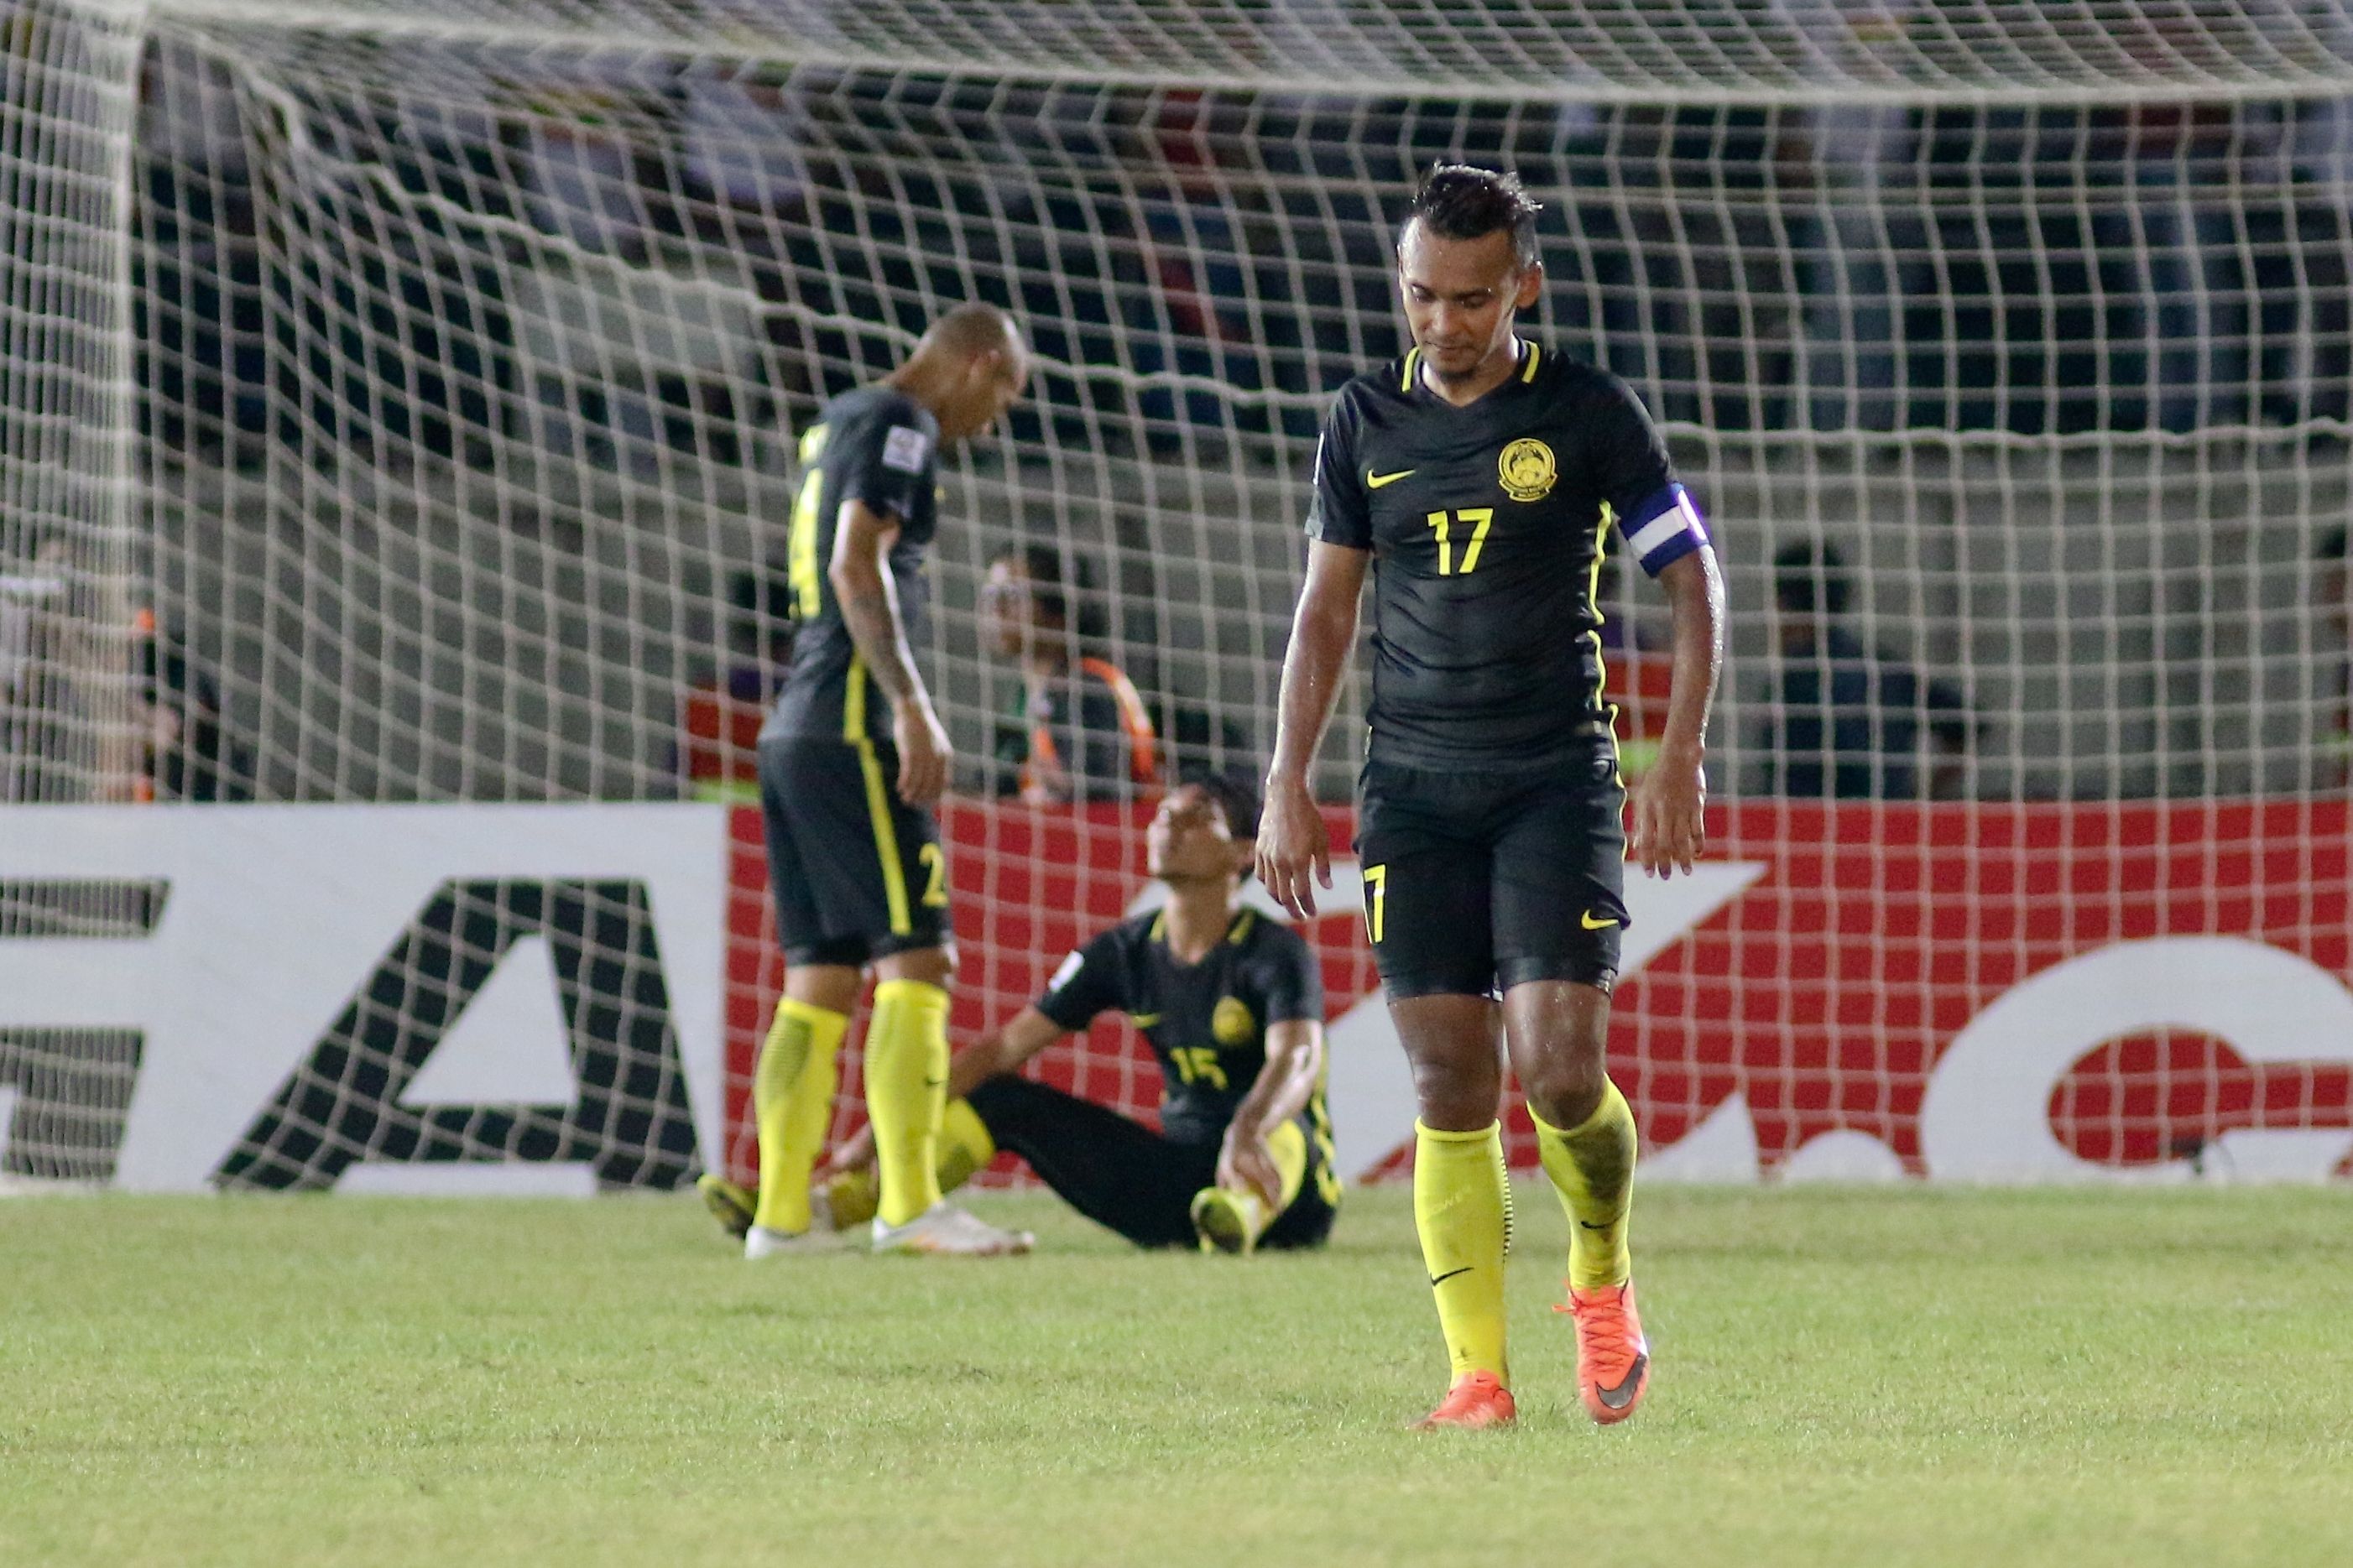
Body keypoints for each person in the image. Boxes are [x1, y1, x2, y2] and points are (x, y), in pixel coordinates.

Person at [1255, 164, 1725, 1430]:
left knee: (1560, 1071)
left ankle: (1603, 1278)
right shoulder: (1361, 421)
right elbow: (1326, 610)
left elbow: (1694, 583)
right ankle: (1477, 1379)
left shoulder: (1588, 412)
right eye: (1423, 297)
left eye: (1471, 300)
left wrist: (1676, 758)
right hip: (1409, 784)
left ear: (1525, 285)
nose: (1445, 324)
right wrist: (1285, 782)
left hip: (1553, 776)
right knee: (1445, 1084)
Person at [697, 302, 1033, 1260]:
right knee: (920, 960)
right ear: (973, 364)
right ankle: (911, 1205)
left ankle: (779, 1219)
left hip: (793, 729)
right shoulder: (901, 425)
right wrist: (912, 705)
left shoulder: (835, 420)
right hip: (847, 724)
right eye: (1004, 391)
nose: (997, 416)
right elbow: (856, 565)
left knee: (821, 979)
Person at [706, 774, 1339, 1253]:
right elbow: (1001, 1049)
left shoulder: (1271, 952)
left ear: (1238, 855)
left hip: (1291, 1199)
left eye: (1195, 817)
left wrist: (1246, 1127)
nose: (1167, 827)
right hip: (1176, 1182)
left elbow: (1298, 1058)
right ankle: (824, 1207)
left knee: (1277, 1129)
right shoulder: (1122, 951)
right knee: (1004, 1097)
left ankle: (1240, 1215)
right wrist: (875, 1133)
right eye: (1164, 814)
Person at [1751, 538, 1970, 800]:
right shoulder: (1883, 669)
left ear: (1783, 604)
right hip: (1885, 828)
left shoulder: (1796, 683)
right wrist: (1916, 799)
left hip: (1811, 830)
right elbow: (1966, 725)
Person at [982, 543, 1161, 804]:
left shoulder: (1087, 687)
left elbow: (1099, 794)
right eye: (990, 594)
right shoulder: (1026, 697)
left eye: (1012, 595)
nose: (996, 609)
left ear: (1059, 612)